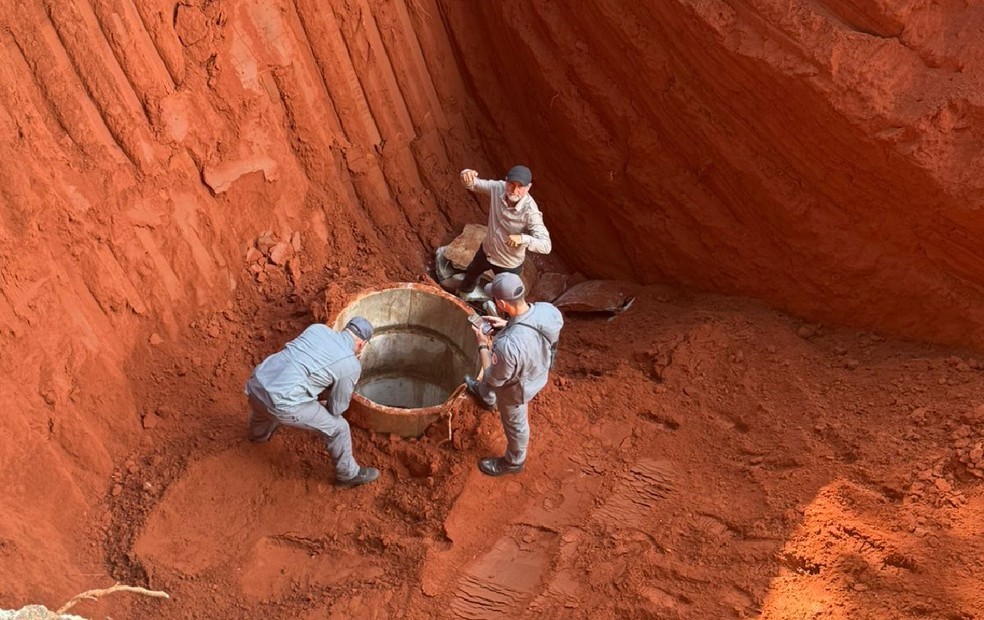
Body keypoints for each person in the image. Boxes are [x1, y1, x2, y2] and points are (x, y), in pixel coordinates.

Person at [245, 317, 380, 488]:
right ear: (361, 345)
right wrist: (326, 402)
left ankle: (256, 436)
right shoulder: (351, 365)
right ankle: (348, 475)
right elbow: (337, 409)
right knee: (339, 428)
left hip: (257, 382)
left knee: (272, 396)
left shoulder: (318, 329)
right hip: (280, 404)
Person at [464, 272, 564, 476]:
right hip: (538, 366)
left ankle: (514, 461)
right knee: (496, 377)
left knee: (516, 423)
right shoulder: (548, 310)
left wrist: (483, 344)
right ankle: (486, 397)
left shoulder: (506, 347)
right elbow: (534, 330)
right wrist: (507, 324)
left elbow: (492, 376)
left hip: (518, 388)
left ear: (501, 303)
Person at [457, 165, 552, 299]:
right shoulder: (499, 188)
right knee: (472, 272)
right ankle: (464, 295)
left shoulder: (530, 212)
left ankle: (499, 316)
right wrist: (466, 174)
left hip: (508, 264)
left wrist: (523, 239)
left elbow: (546, 245)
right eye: (511, 184)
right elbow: (473, 184)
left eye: (520, 187)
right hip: (487, 251)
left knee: (505, 296)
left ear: (528, 187)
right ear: (506, 181)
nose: (514, 190)